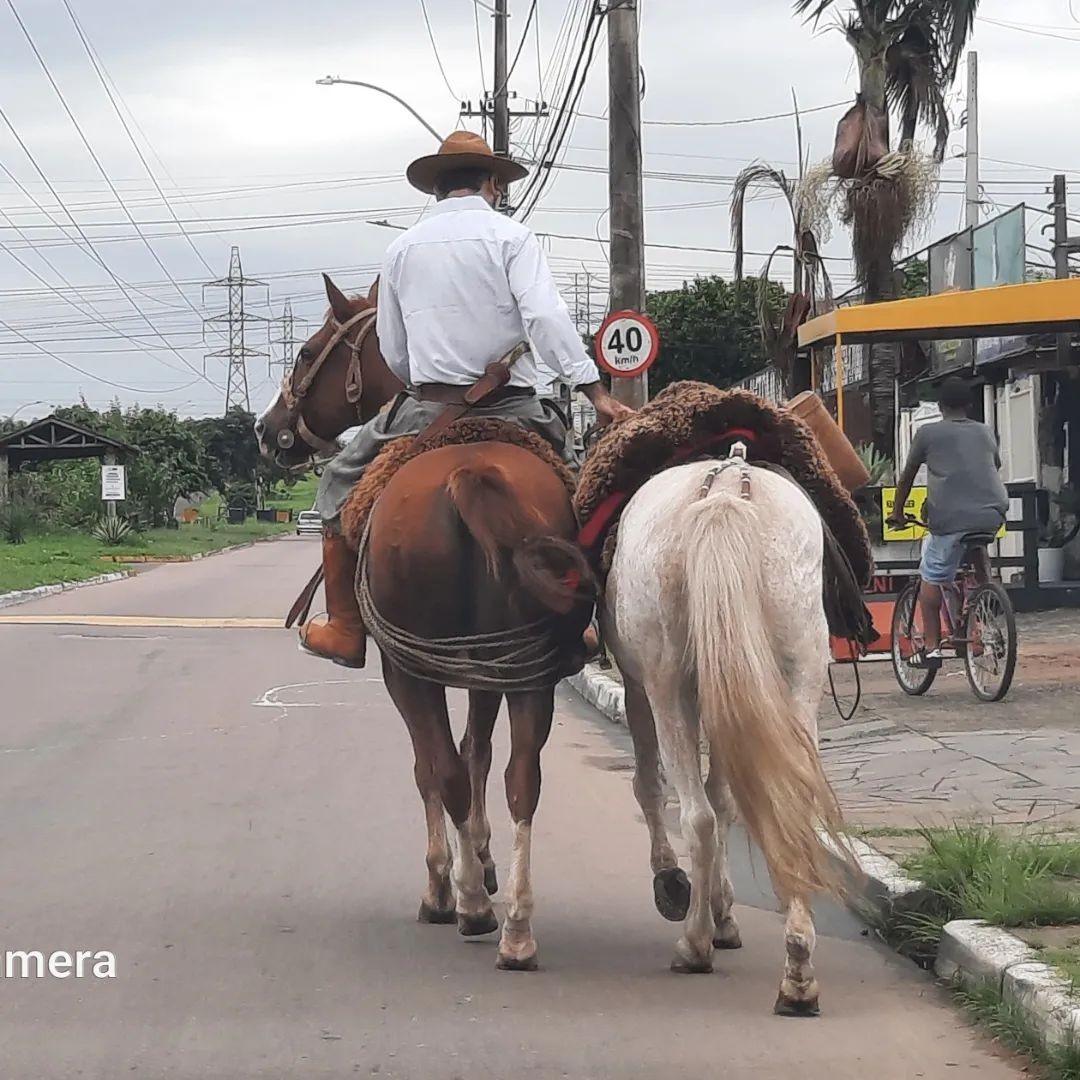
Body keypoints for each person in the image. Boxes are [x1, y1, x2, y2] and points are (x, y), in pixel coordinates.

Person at [300, 130, 633, 667]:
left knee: (338, 480)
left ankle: (343, 626)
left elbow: (395, 351)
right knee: (584, 494)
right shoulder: (513, 238)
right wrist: (592, 389)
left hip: (427, 406)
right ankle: (584, 625)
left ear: (436, 187)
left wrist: (427, 378)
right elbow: (546, 319)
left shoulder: (401, 250)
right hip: (518, 408)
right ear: (493, 183)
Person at [887, 377, 1009, 665]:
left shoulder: (927, 433)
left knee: (932, 576)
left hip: (949, 517)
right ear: (969, 405)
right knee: (977, 546)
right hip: (992, 512)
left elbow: (906, 477)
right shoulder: (985, 432)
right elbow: (992, 466)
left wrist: (897, 512)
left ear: (940, 406)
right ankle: (986, 601)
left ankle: (930, 648)